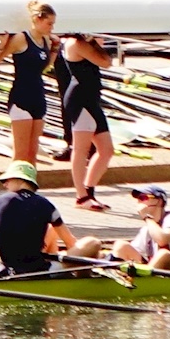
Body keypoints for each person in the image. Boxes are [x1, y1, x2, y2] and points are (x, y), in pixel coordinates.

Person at [56, 30, 118, 211]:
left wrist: (95, 43)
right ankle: (81, 196)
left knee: (106, 150)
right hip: (81, 99)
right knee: (81, 148)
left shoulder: (86, 43)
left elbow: (105, 59)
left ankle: (89, 189)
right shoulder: (77, 43)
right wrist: (95, 43)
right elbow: (105, 61)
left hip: (92, 99)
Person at [0, 4, 57, 168]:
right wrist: (2, 44)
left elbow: (45, 66)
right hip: (21, 96)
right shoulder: (21, 38)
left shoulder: (46, 41)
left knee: (32, 152)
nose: (52, 27)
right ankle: (16, 189)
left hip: (38, 96)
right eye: (49, 23)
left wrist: (55, 49)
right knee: (21, 153)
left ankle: (30, 188)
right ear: (37, 19)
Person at [0, 160, 71, 275]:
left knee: (51, 231)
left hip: (8, 269)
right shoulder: (46, 205)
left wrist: (14, 243)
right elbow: (70, 242)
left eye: (6, 180)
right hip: (38, 269)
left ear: (20, 179)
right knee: (92, 243)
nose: (4, 184)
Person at [114, 184, 170, 271]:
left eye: (144, 197)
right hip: (155, 270)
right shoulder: (147, 229)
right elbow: (134, 252)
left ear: (159, 201)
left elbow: (162, 239)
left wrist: (147, 217)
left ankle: (144, 280)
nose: (140, 202)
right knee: (121, 245)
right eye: (138, 199)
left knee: (164, 254)